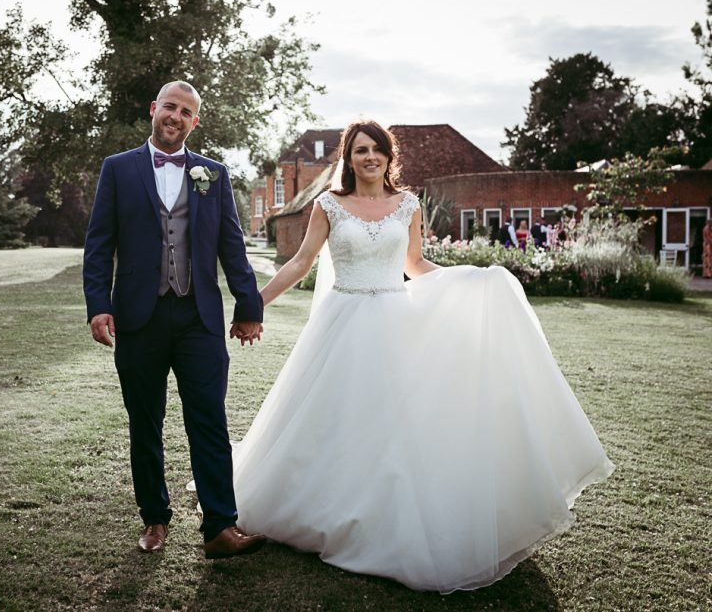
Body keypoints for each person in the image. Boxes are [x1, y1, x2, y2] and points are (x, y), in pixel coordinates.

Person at [231, 120, 614, 593]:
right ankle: (320, 506)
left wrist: (472, 278)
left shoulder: (408, 205)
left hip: (394, 318)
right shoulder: (328, 205)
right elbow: (299, 262)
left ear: (390, 157)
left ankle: (387, 512)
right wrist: (254, 304)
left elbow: (414, 265)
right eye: (359, 150)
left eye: (376, 150)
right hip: (342, 322)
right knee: (334, 418)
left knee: (396, 421)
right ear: (347, 159)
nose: (368, 157)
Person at [83, 81, 267, 559]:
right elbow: (100, 245)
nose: (176, 116)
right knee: (145, 422)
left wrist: (248, 307)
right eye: (170, 106)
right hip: (138, 318)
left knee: (209, 420)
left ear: (194, 121)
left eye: (186, 112)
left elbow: (232, 246)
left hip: (199, 319)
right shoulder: (118, 169)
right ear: (154, 109)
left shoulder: (213, 174)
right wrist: (98, 304)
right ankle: (155, 519)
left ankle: (220, 527)